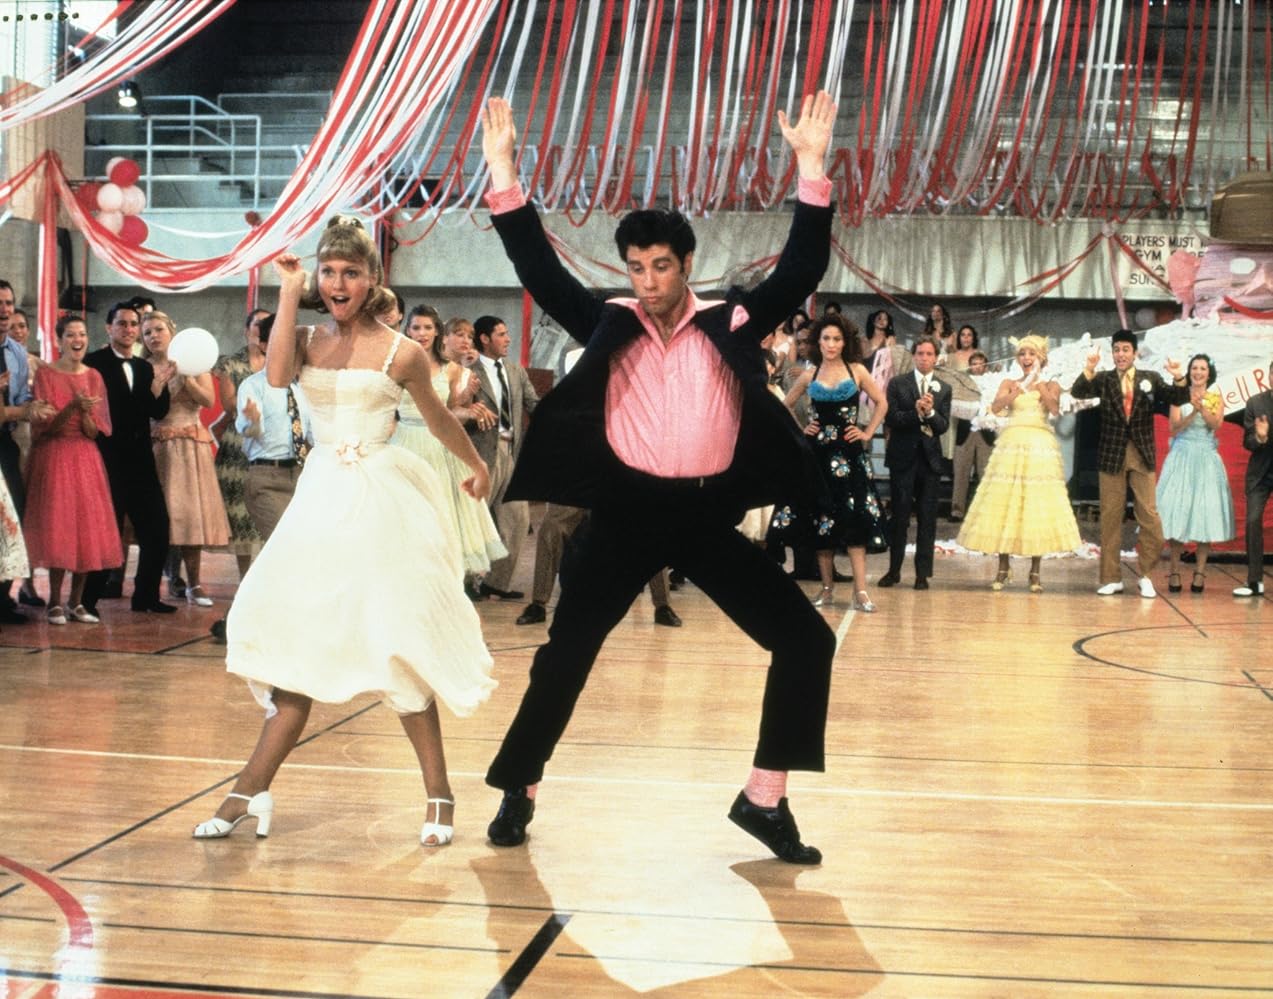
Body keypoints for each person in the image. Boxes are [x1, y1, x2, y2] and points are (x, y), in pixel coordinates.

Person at [478, 92, 837, 864]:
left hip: (705, 518)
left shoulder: (729, 320)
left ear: (685, 265)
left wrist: (810, 167)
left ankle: (764, 798)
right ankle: (519, 785)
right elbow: (537, 268)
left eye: (660, 266)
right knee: (565, 654)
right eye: (636, 267)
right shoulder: (610, 319)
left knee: (805, 640)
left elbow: (802, 266)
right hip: (625, 516)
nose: (646, 280)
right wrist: (503, 172)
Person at [195, 216, 495, 847]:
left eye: (350, 272)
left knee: (396, 646)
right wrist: (287, 288)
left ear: (371, 279)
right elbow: (278, 378)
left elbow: (439, 419)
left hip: (381, 500)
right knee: (296, 648)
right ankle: (249, 790)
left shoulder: (402, 352)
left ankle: (439, 793)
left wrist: (476, 465)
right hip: (322, 499)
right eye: (328, 272)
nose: (337, 283)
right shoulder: (304, 337)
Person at [772, 315, 889, 610]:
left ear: (845, 342)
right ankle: (826, 590)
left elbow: (882, 402)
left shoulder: (857, 370)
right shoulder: (809, 375)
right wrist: (802, 429)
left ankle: (861, 592)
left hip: (850, 455)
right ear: (818, 342)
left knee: (855, 521)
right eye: (826, 338)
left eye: (837, 339)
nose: (831, 344)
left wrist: (867, 432)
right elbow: (784, 406)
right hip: (818, 456)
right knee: (822, 521)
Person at [956, 336, 1080, 592]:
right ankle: (1003, 567)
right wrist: (1019, 388)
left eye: (1031, 354)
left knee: (1036, 505)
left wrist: (1038, 383)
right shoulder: (1009, 382)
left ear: (1041, 358)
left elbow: (1054, 409)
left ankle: (1035, 571)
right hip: (1011, 445)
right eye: (1022, 354)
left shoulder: (1051, 384)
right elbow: (996, 407)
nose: (1026, 358)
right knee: (1005, 503)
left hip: (1039, 447)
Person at [1069, 329, 1187, 597]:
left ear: (1135, 353)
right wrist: (1089, 368)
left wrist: (1179, 376)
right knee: (1110, 517)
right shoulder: (1104, 379)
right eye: (1116, 350)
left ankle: (1145, 574)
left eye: (1125, 350)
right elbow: (1078, 391)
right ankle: (1111, 578)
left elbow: (1179, 398)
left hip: (1142, 454)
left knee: (1150, 517)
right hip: (1111, 454)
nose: (1120, 355)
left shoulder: (1150, 378)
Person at [391, 304, 506, 575]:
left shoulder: (451, 370)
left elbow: (450, 411)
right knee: (406, 519)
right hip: (403, 445)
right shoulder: (396, 365)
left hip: (440, 447)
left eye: (427, 327)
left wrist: (468, 407)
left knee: (442, 517)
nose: (422, 333)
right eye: (416, 327)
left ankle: (444, 582)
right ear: (408, 331)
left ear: (437, 332)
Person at [23, 317, 122, 623]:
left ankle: (76, 602)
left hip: (86, 457)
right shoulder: (47, 374)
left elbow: (94, 431)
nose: (77, 340)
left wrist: (86, 413)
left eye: (81, 334)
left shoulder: (93, 376)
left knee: (86, 527)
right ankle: (54, 601)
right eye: (70, 335)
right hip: (55, 455)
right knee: (60, 526)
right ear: (59, 340)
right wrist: (73, 407)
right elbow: (47, 427)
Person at [82, 302, 176, 615]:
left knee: (158, 527)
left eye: (133, 324)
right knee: (107, 529)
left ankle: (146, 597)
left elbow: (157, 411)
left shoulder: (144, 367)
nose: (128, 329)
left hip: (141, 460)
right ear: (108, 328)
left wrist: (160, 385)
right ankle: (87, 601)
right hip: (106, 459)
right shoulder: (93, 364)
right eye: (122, 323)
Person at [141, 312, 231, 606]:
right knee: (163, 517)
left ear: (172, 331)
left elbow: (208, 400)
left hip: (190, 445)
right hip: (157, 446)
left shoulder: (194, 362)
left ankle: (195, 584)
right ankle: (165, 579)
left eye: (159, 329)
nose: (154, 336)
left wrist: (186, 377)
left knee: (191, 516)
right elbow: (143, 407)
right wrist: (159, 381)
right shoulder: (143, 367)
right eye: (147, 332)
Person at [466, 314, 539, 600]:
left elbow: (534, 404)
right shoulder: (468, 371)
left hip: (511, 452)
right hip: (481, 454)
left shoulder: (515, 371)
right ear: (484, 339)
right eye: (501, 334)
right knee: (474, 519)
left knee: (518, 520)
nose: (508, 339)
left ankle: (496, 582)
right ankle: (466, 582)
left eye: (507, 333)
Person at [1155, 354, 1235, 593]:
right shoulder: (1178, 397)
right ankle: (1174, 570)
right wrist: (1192, 413)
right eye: (1194, 368)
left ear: (1209, 374)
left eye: (1202, 369)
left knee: (1205, 514)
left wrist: (1202, 409)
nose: (1198, 372)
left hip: (1206, 459)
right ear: (1189, 372)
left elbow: (1216, 424)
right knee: (1177, 513)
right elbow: (1173, 428)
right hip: (1181, 456)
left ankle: (1200, 572)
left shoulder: (1215, 398)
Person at [879, 336, 950, 590]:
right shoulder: (898, 383)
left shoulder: (944, 388)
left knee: (927, 518)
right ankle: (894, 570)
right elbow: (891, 418)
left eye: (929, 354)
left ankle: (922, 574)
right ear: (913, 355)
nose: (924, 358)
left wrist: (930, 412)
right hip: (903, 458)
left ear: (936, 357)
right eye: (920, 353)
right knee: (899, 516)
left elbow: (943, 425)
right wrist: (915, 412)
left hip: (929, 461)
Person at [211, 310, 271, 586]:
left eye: (267, 324)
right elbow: (230, 404)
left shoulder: (280, 362)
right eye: (257, 324)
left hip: (272, 443)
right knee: (241, 515)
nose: (262, 328)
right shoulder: (231, 364)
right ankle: (246, 580)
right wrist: (262, 407)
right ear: (247, 330)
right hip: (239, 446)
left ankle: (268, 581)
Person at [1233, 360, 1273, 597]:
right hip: (1261, 473)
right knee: (1252, 520)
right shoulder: (1255, 403)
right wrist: (1259, 437)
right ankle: (1254, 581)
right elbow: (1247, 442)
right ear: (1269, 376)